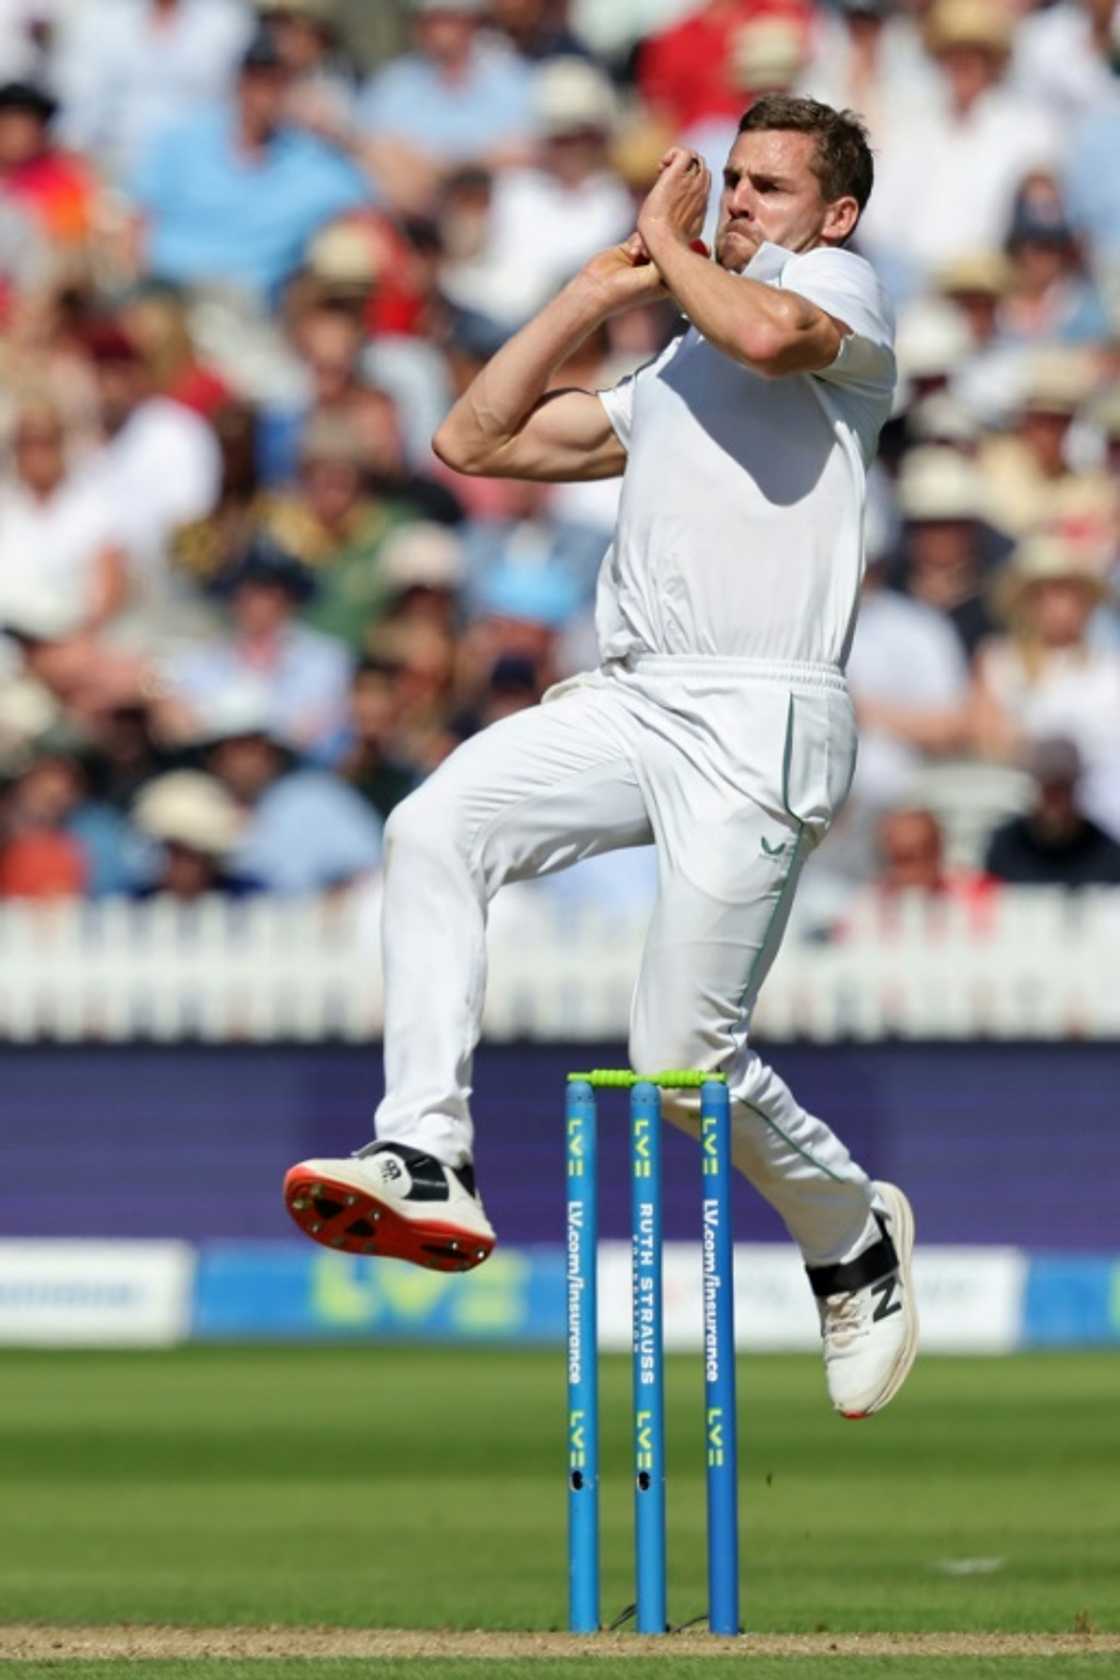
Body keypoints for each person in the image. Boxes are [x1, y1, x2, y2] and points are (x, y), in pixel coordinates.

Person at [286, 94, 918, 1420]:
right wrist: (591, 288)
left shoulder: (836, 292)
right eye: (730, 181)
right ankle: (424, 1152)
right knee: (434, 829)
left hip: (764, 714)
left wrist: (671, 249)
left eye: (769, 187)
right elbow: (474, 441)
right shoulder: (677, 369)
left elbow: (769, 329)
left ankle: (850, 1229)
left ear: (835, 213)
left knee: (679, 1060)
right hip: (637, 699)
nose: (740, 202)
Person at [984, 736, 1120, 889]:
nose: (1056, 801)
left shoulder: (1107, 853)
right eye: (1049, 789)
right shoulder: (1005, 846)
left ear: (1076, 788)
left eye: (1062, 788)